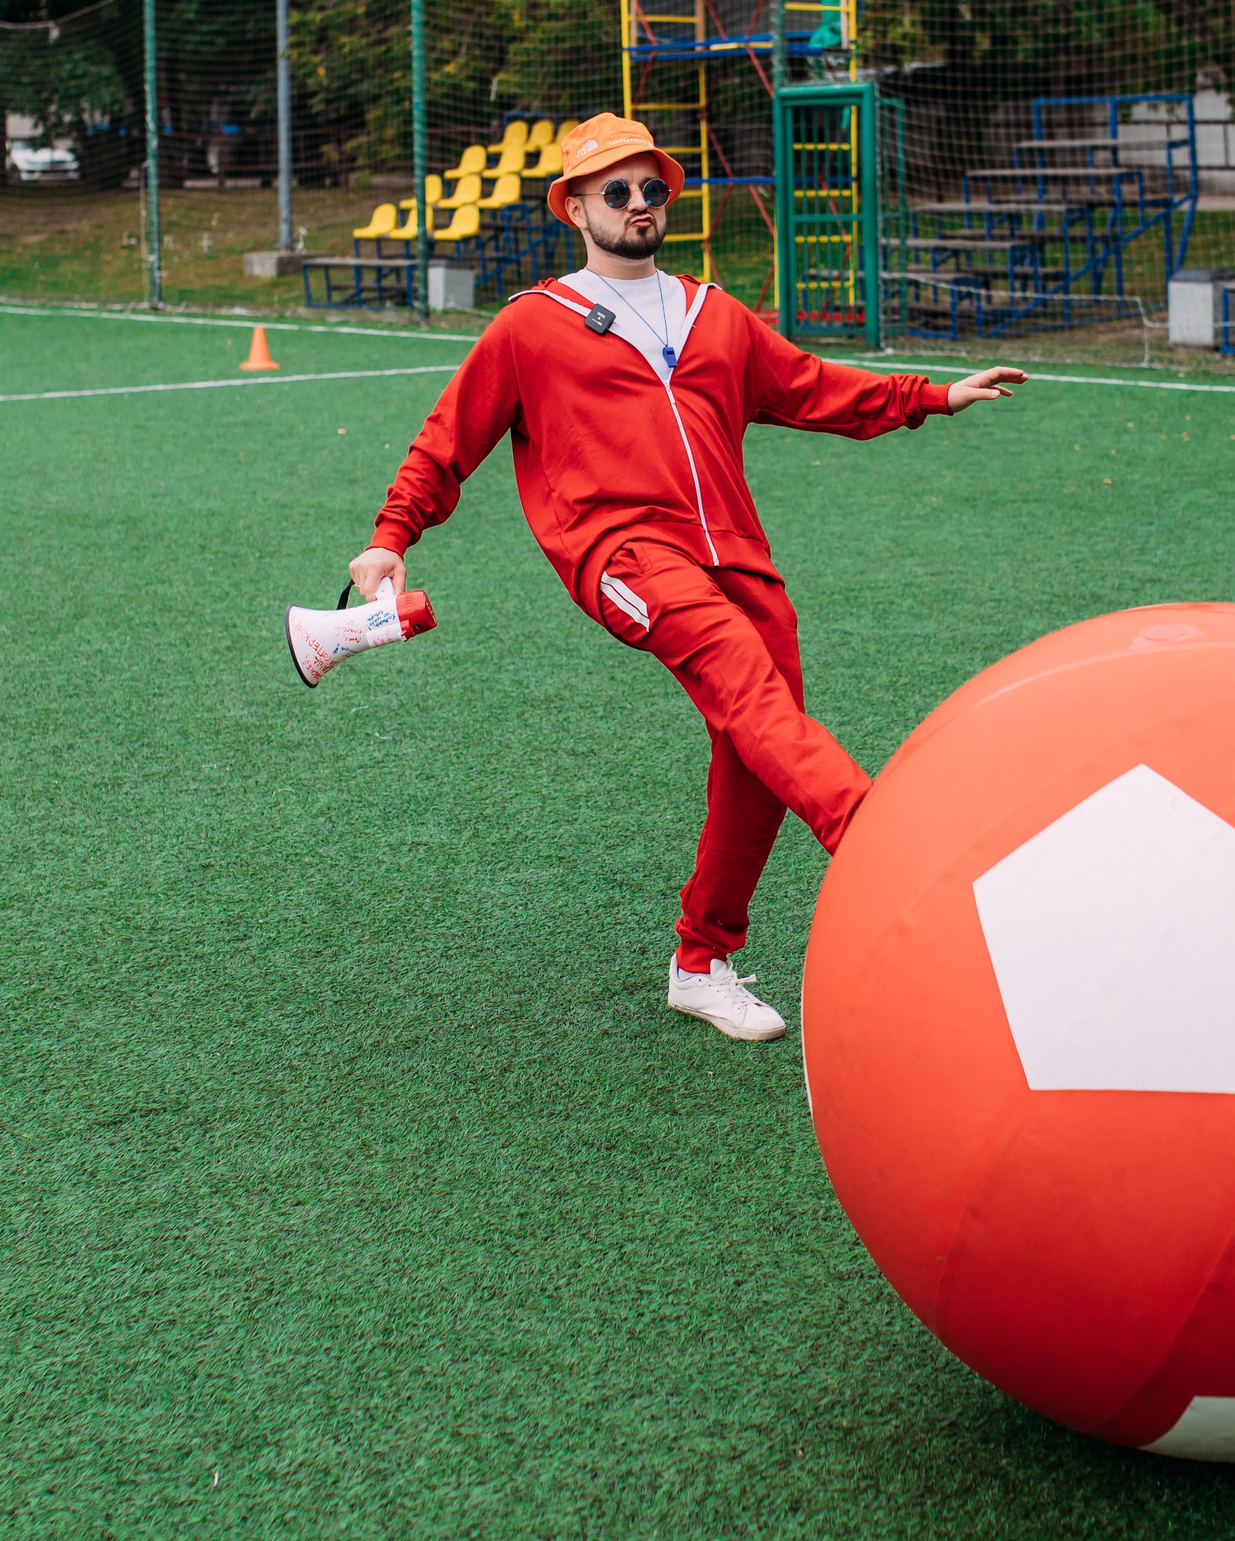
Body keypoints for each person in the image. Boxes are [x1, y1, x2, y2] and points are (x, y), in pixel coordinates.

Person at [347, 114, 1023, 1043]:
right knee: (747, 687)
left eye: (651, 189)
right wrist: (393, 535)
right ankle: (880, 843)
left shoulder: (716, 314)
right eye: (616, 191)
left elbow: (811, 386)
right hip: (621, 554)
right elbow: (447, 438)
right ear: (575, 207)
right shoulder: (531, 326)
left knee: (757, 748)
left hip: (739, 555)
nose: (637, 204)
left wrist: (932, 396)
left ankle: (701, 961)